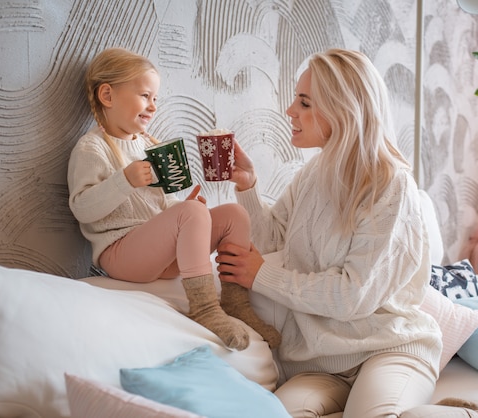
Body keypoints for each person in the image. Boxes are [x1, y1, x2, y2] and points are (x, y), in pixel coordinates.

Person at [216, 49, 443, 417]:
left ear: (343, 110)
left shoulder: (391, 185)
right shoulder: (312, 173)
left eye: (304, 102)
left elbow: (353, 296)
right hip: (319, 362)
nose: (290, 110)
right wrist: (247, 186)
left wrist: (262, 275)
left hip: (389, 347)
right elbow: (273, 241)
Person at [67, 47, 280, 350]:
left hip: (159, 256)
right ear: (107, 96)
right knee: (192, 213)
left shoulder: (147, 146)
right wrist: (124, 181)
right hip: (122, 255)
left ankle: (235, 301)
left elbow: (160, 208)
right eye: (144, 96)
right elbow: (82, 209)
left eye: (155, 98)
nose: (153, 106)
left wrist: (183, 207)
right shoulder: (92, 149)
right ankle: (205, 308)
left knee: (234, 214)